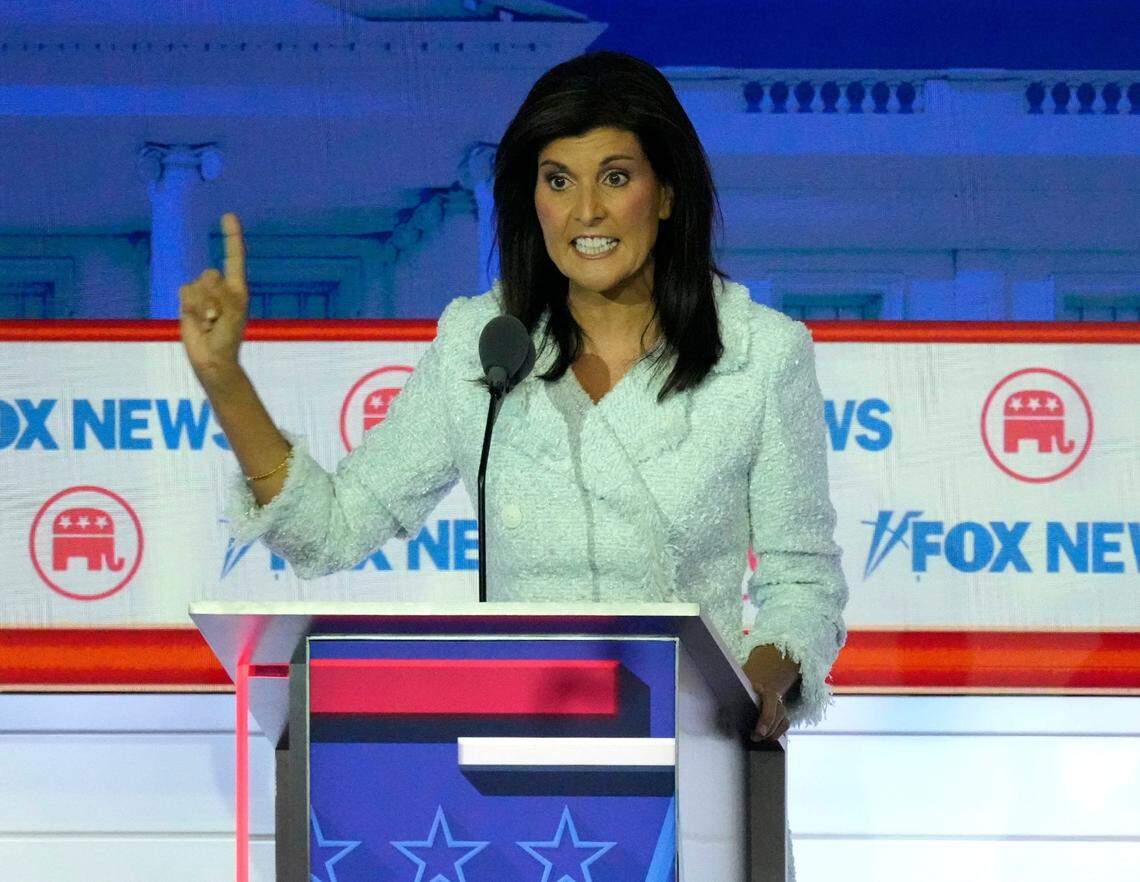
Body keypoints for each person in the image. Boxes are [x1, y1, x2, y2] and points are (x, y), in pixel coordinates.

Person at [179, 50, 847, 879]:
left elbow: (801, 581)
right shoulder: (482, 342)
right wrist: (226, 380)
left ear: (667, 192)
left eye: (614, 176)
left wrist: (760, 686)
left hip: (694, 789)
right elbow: (333, 528)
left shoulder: (760, 354)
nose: (585, 210)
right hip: (519, 799)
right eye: (557, 181)